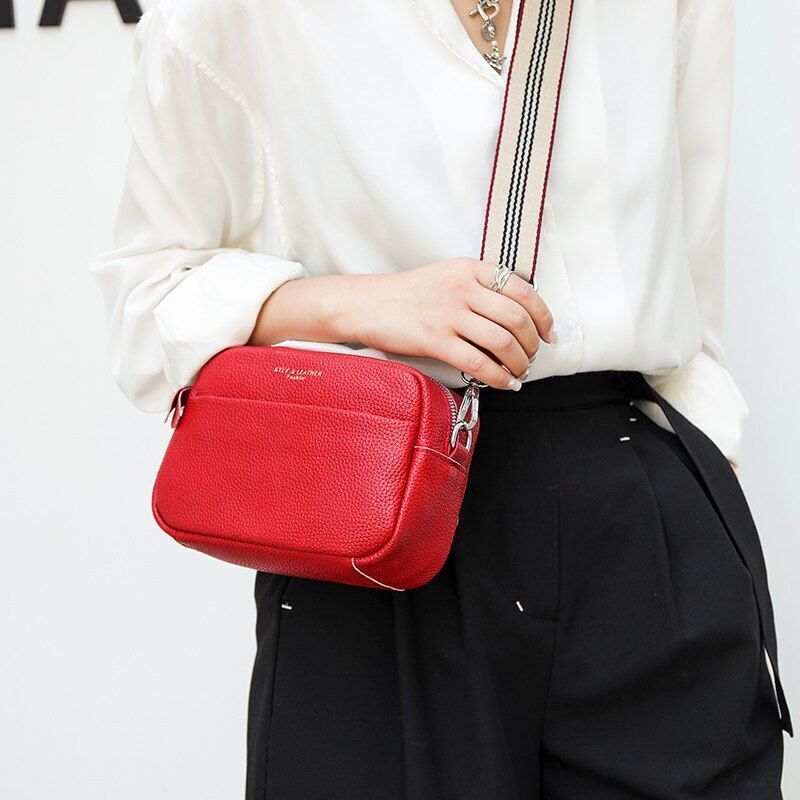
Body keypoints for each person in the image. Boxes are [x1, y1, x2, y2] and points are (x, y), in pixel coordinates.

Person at [91, 0, 791, 797]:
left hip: (641, 517)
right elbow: (148, 302)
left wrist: (704, 490)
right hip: (380, 528)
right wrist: (362, 304)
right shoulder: (237, 13)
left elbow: (695, 276)